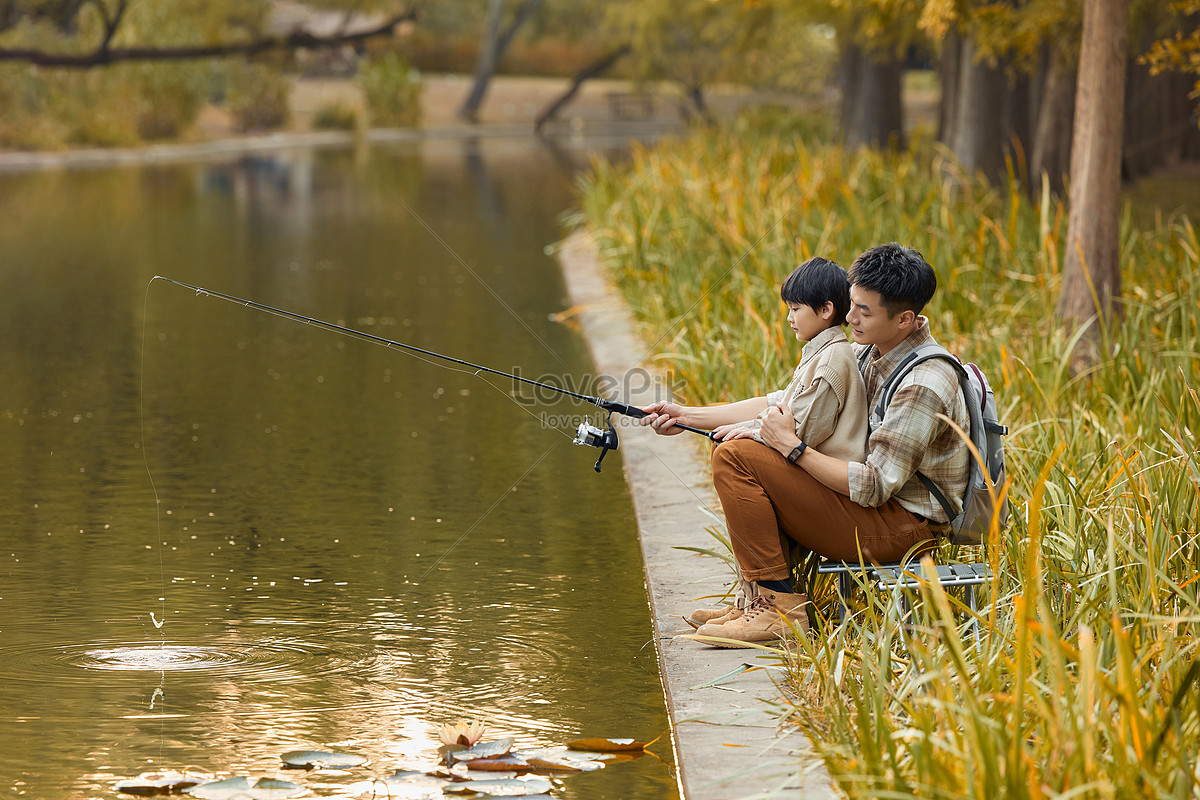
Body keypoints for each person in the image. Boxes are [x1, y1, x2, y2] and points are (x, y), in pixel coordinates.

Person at [642, 243, 970, 648]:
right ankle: (760, 599)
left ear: (905, 319)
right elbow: (783, 399)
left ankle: (780, 609)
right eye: (851, 304)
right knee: (735, 449)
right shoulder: (872, 353)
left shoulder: (924, 381)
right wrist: (688, 415)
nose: (848, 318)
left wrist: (792, 448)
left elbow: (873, 485)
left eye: (863, 311)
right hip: (878, 513)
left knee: (737, 457)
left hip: (904, 529)